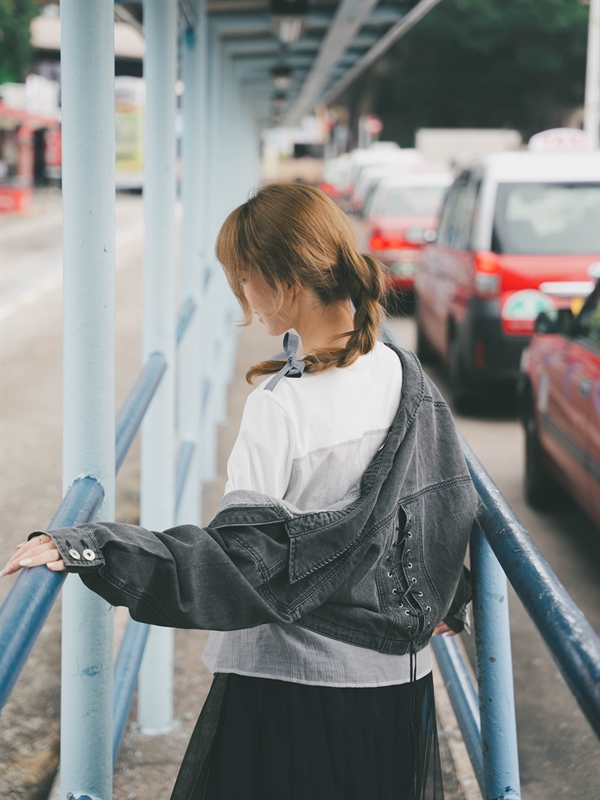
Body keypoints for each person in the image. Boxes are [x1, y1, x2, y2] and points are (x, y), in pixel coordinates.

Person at [3, 184, 476, 800]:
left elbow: (242, 564)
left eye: (242, 278)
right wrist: (448, 594)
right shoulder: (403, 373)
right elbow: (446, 500)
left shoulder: (278, 409)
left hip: (291, 691)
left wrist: (93, 546)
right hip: (395, 683)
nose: (241, 297)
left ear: (281, 281)